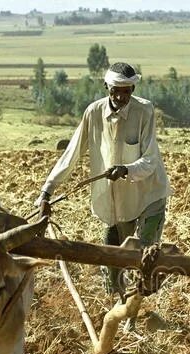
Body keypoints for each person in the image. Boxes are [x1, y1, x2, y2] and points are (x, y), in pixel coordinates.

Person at [34, 62, 172, 297]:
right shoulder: (93, 112)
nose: (121, 96)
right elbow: (72, 154)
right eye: (116, 89)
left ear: (133, 90)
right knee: (112, 263)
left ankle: (139, 304)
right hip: (116, 202)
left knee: (145, 257)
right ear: (106, 86)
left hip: (149, 195)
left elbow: (150, 160)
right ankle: (116, 306)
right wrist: (47, 191)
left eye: (126, 90)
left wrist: (126, 169)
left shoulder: (144, 111)